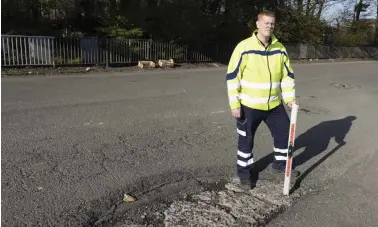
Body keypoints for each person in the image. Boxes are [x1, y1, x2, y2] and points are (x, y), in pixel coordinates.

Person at [226, 10, 300, 190]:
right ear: (258, 24)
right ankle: (244, 175)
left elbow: (287, 76)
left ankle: (280, 166)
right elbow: (232, 77)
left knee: (284, 136)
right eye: (265, 23)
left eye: (272, 23)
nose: (269, 26)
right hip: (249, 106)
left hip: (274, 105)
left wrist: (289, 99)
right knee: (246, 141)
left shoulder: (279, 48)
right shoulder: (244, 47)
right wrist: (235, 105)